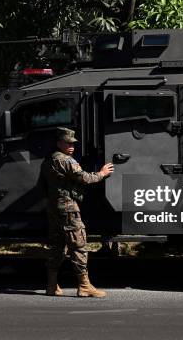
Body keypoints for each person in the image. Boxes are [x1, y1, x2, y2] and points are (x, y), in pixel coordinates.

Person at [38, 127, 114, 297]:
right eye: (67, 142)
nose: (71, 146)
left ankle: (52, 286)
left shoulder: (47, 161)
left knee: (56, 247)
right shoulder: (67, 161)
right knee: (78, 245)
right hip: (69, 209)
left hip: (53, 208)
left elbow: (40, 187)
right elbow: (85, 178)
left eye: (73, 143)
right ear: (59, 143)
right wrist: (102, 174)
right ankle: (84, 286)